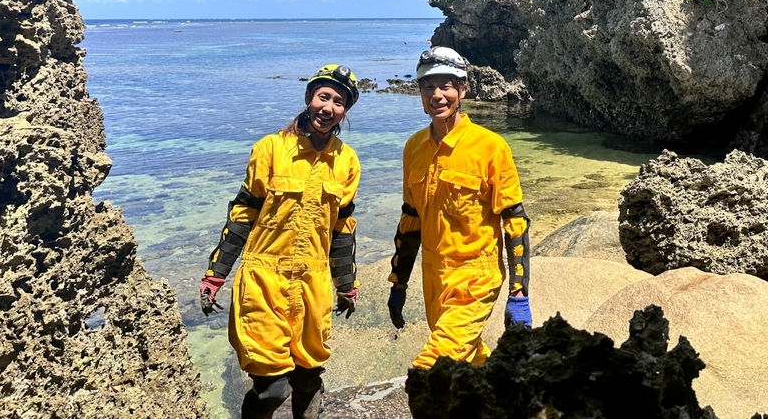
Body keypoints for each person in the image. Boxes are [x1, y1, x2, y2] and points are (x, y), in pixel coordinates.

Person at [199, 64, 362, 419]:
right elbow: (243, 215)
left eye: (339, 102)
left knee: (308, 377)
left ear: (345, 111)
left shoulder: (347, 161)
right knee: (271, 387)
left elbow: (341, 229)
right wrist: (215, 275)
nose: (328, 108)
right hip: (264, 279)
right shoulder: (271, 148)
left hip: (313, 282)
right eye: (323, 97)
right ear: (308, 97)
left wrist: (346, 285)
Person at [386, 46, 532, 369]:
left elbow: (514, 221)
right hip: (433, 278)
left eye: (446, 86)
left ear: (463, 90)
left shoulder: (491, 147)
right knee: (467, 360)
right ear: (420, 93)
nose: (437, 95)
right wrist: (399, 281)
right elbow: (411, 220)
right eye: (428, 86)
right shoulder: (413, 148)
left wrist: (519, 292)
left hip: (475, 278)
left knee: (431, 367)